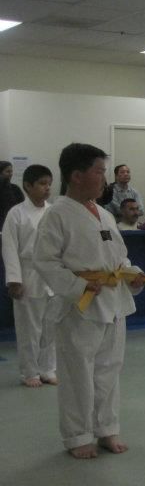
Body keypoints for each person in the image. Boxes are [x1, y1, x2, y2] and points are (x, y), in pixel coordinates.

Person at [34, 143, 145, 459]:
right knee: (77, 374)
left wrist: (132, 274)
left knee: (109, 369)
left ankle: (107, 429)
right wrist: (76, 285)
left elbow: (118, 257)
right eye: (99, 171)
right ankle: (77, 436)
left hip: (112, 303)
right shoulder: (57, 214)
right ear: (76, 175)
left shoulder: (105, 216)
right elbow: (44, 261)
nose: (104, 179)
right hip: (78, 307)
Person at [2, 164, 57, 388]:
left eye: (49, 184)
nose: (47, 189)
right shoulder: (16, 213)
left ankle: (48, 368)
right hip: (28, 274)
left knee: (50, 327)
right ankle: (29, 371)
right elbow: (9, 247)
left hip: (52, 277)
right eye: (42, 184)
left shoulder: (53, 211)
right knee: (29, 328)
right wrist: (14, 279)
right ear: (27, 186)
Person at [0, 160, 25, 227]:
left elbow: (22, 207)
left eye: (11, 171)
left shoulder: (15, 188)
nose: (11, 174)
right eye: (8, 171)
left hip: (12, 223)